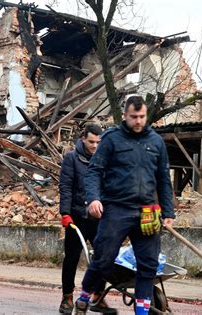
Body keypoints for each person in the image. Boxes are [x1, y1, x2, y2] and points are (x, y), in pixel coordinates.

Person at [74, 96, 174, 315]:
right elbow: (94, 171)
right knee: (103, 259)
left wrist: (168, 211)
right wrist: (93, 199)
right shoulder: (111, 139)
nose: (138, 121)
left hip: (147, 212)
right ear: (125, 116)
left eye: (141, 117)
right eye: (133, 117)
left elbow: (164, 179)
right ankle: (84, 296)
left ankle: (141, 313)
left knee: (148, 266)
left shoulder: (156, 142)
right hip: (116, 209)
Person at [59, 124, 116, 314]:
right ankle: (67, 297)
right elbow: (66, 187)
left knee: (102, 258)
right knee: (72, 258)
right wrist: (65, 213)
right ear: (83, 139)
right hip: (77, 217)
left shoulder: (105, 160)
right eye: (91, 142)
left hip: (99, 217)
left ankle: (97, 297)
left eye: (99, 142)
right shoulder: (71, 159)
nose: (95, 146)